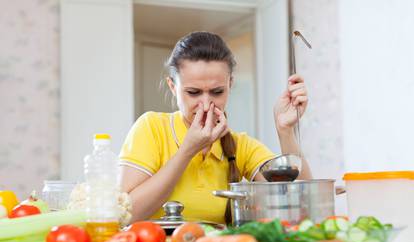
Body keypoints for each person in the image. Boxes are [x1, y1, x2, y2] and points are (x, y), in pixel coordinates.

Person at [119, 31, 312, 224]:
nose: (206, 104)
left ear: (230, 84)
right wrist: (187, 150)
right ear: (172, 87)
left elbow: (301, 204)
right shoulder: (152, 128)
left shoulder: (240, 146)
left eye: (217, 92)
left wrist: (285, 131)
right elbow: (125, 216)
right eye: (193, 93)